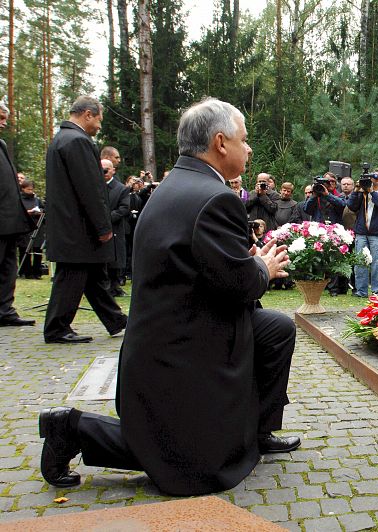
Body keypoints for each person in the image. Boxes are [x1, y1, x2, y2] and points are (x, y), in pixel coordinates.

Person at [37, 97, 300, 496]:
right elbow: (240, 285)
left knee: (276, 329)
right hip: (182, 351)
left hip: (175, 331)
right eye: (243, 140)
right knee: (194, 462)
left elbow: (199, 267)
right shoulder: (216, 197)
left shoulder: (178, 184)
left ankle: (258, 431)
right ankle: (70, 428)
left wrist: (244, 263)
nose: (248, 149)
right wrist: (262, 267)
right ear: (220, 142)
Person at [42, 96, 128, 343]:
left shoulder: (61, 139)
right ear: (88, 114)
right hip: (79, 228)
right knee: (71, 277)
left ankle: (115, 320)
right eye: (99, 119)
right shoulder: (78, 141)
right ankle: (57, 327)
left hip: (70, 225)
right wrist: (103, 226)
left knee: (91, 277)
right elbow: (90, 189)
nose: (99, 126)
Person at [0, 101, 36, 327]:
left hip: (9, 221)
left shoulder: (2, 145)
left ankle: (5, 310)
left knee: (7, 267)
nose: (4, 123)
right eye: (1, 118)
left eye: (5, 118)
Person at [347, 168, 378, 297]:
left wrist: (372, 191)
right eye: (374, 177)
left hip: (377, 234)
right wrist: (356, 190)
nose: (377, 179)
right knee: (360, 262)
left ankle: (377, 291)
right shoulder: (362, 192)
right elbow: (351, 206)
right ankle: (361, 291)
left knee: (377, 263)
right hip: (361, 232)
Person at [101, 159, 130, 297]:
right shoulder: (94, 186)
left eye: (107, 169)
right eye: (102, 169)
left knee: (115, 259)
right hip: (97, 229)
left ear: (113, 170)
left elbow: (124, 208)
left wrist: (105, 219)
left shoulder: (121, 189)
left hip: (114, 228)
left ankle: (114, 285)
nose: (104, 172)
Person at [17, 179, 46, 279]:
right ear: (23, 189)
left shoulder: (37, 199)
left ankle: (37, 272)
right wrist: (27, 212)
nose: (31, 191)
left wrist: (40, 212)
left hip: (37, 226)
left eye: (32, 189)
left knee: (37, 250)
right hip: (25, 228)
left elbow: (43, 209)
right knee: (25, 250)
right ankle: (25, 271)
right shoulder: (19, 199)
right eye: (28, 189)